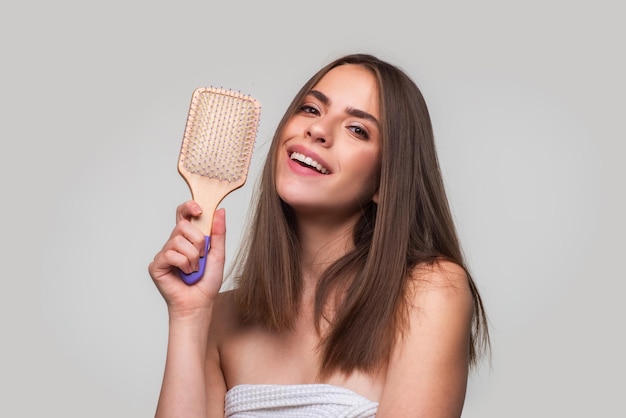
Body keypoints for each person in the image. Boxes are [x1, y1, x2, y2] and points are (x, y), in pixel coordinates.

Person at [149, 53, 489, 418]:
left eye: (357, 129)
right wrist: (189, 317)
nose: (317, 130)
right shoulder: (221, 318)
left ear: (385, 182)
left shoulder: (430, 292)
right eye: (311, 109)